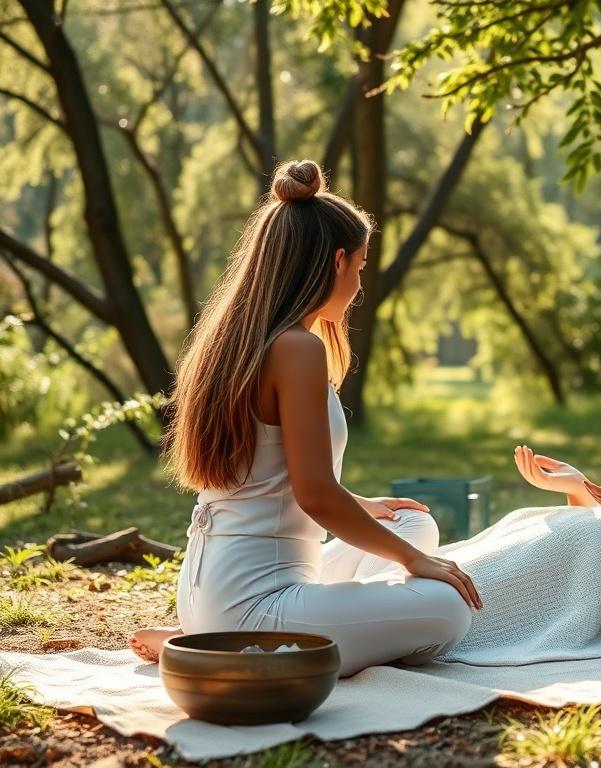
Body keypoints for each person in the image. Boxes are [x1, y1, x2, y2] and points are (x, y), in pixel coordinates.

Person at [130, 159, 480, 675]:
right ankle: (221, 645)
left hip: (216, 588)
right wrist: (413, 564)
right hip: (254, 607)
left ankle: (202, 636)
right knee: (448, 610)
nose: (360, 285)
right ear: (337, 262)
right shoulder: (297, 349)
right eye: (360, 268)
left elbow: (275, 478)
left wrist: (364, 506)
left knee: (412, 521)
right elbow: (315, 495)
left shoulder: (240, 341)